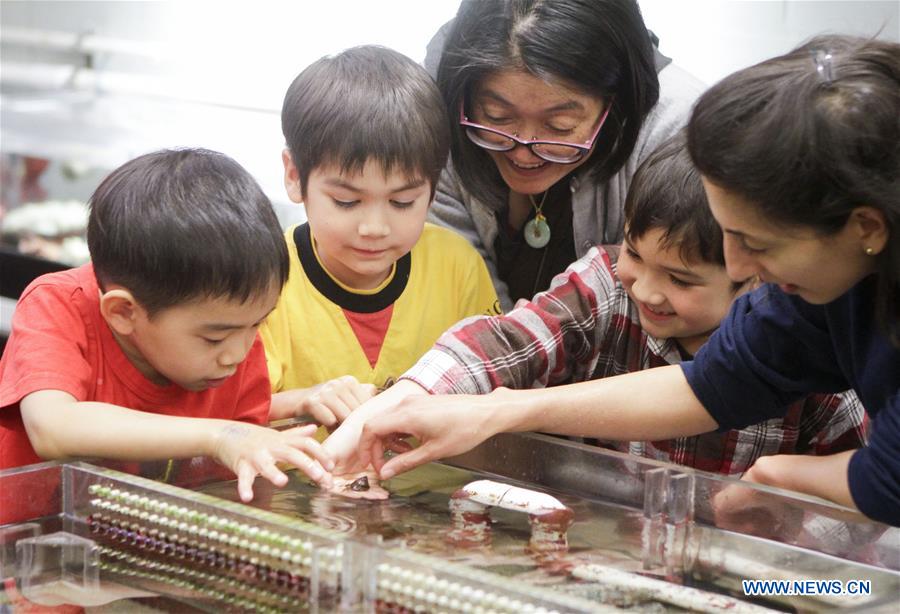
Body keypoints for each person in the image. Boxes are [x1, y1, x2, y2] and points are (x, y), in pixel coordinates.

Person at [330, 35, 899, 526]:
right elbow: (712, 384)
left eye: (758, 244)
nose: (742, 267)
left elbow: (884, 490)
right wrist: (481, 409)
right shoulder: (814, 297)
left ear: (867, 228)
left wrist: (786, 487)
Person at [325, 132, 867, 477]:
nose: (646, 289)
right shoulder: (605, 288)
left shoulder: (804, 346)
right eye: (635, 253)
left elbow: (857, 509)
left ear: (753, 274)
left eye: (680, 279)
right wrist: (390, 408)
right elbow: (504, 342)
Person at [0, 149, 334, 507]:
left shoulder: (235, 334)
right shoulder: (58, 305)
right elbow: (53, 428)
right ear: (123, 312)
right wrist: (219, 436)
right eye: (214, 338)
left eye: (258, 323)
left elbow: (239, 473)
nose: (237, 354)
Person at [260, 45, 500, 425]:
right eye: (346, 201)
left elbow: (491, 383)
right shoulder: (264, 277)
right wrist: (301, 401)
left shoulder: (457, 266)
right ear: (294, 176)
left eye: (402, 202)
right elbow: (222, 412)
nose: (374, 228)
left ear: (433, 189)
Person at [424, 0, 706, 310]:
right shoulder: (433, 103)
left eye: (560, 126)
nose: (524, 152)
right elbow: (458, 286)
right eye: (497, 115)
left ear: (616, 106)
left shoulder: (681, 134)